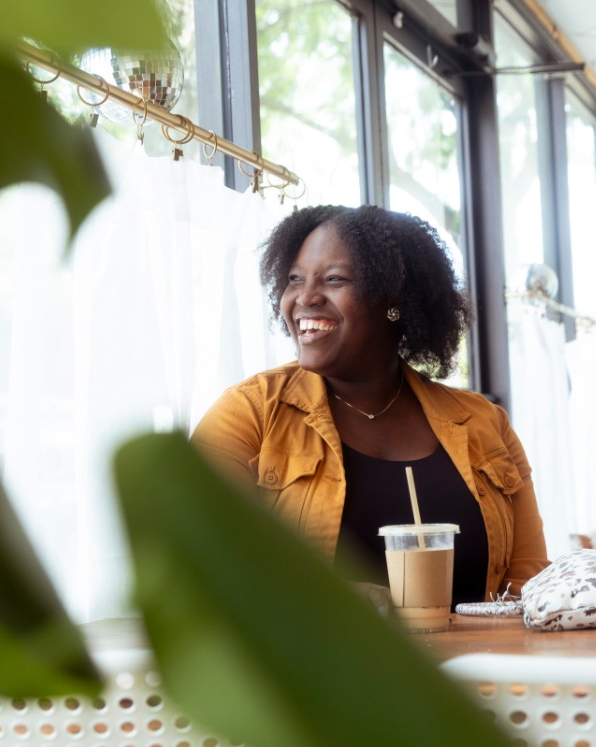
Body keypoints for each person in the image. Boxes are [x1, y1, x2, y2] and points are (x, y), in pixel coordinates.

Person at [193, 204, 549, 605]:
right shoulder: (251, 414)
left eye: (333, 279)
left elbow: (528, 585)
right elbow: (195, 570)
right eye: (294, 279)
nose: (305, 297)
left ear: (392, 300)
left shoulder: (485, 424)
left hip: (480, 667)